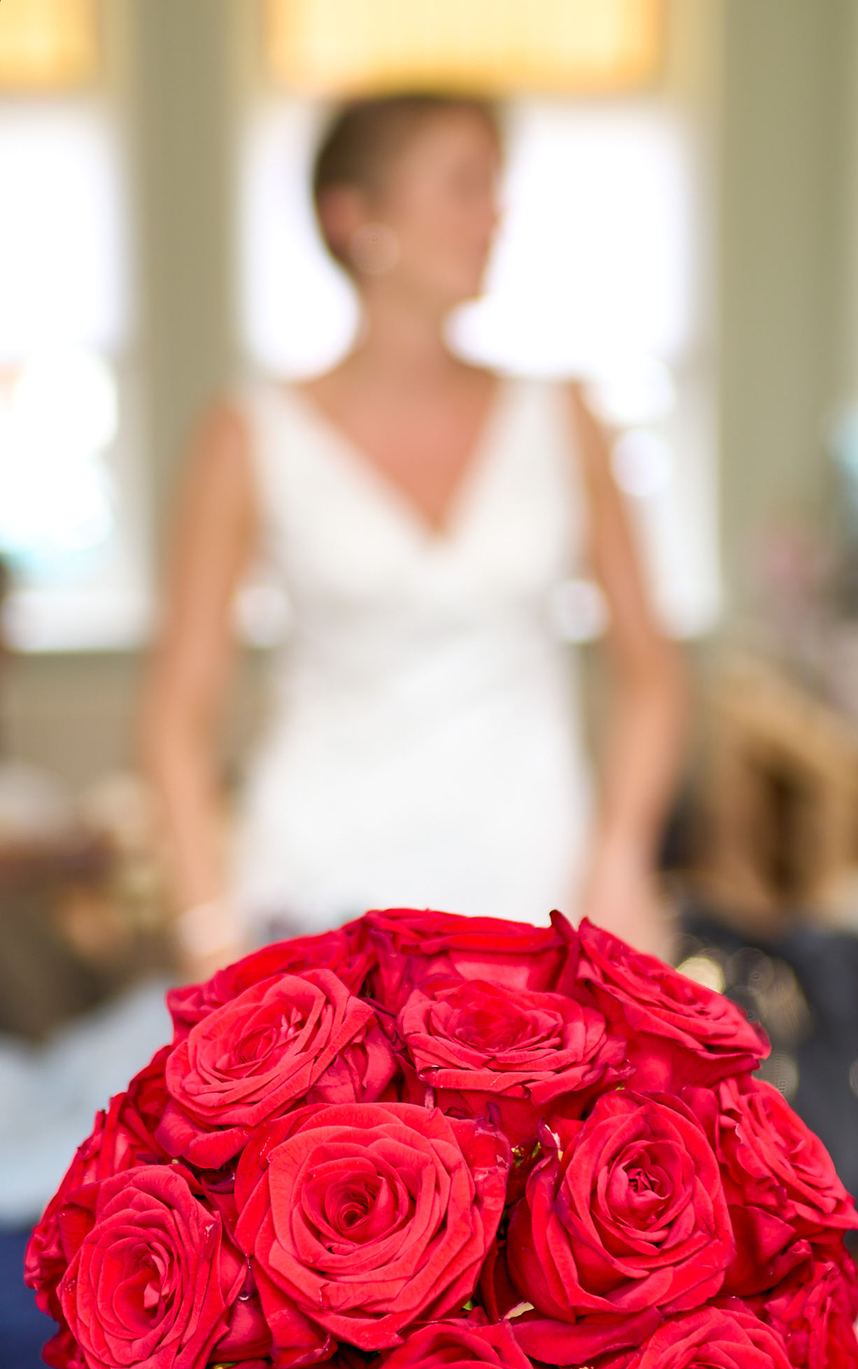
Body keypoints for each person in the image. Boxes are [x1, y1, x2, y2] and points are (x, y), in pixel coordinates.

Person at [140, 91, 686, 983]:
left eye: (494, 187)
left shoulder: (563, 416)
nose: (493, 216)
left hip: (536, 899)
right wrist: (209, 933)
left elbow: (651, 674)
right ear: (354, 218)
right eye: (463, 186)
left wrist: (621, 852)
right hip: (319, 901)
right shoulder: (249, 434)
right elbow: (177, 714)